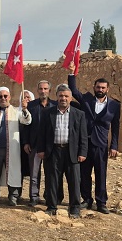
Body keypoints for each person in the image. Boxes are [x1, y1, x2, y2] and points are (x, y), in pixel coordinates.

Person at [68, 74, 121, 214]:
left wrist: (114, 146)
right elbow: (73, 90)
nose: (100, 89)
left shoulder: (114, 105)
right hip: (85, 143)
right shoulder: (86, 100)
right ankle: (87, 199)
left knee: (101, 173)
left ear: (107, 89)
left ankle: (101, 202)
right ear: (94, 87)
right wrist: (71, 74)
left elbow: (115, 127)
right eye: (98, 87)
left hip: (101, 145)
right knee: (84, 173)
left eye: (103, 87)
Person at [37, 84, 88, 218]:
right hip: (53, 151)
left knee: (74, 181)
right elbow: (41, 133)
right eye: (60, 96)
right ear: (56, 97)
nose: (63, 98)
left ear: (71, 98)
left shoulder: (79, 114)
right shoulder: (48, 113)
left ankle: (75, 208)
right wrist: (41, 150)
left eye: (66, 96)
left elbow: (83, 135)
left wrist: (83, 152)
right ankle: (51, 206)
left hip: (72, 152)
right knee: (52, 180)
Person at [0, 87, 32, 206]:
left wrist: (25, 110)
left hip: (12, 148)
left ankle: (13, 196)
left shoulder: (17, 111)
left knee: (13, 171)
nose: (3, 98)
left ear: (9, 97)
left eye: (5, 96)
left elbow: (27, 121)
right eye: (0, 96)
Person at [21, 80, 58, 207]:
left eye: (45, 89)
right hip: (34, 144)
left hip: (51, 145)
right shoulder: (31, 105)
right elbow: (26, 125)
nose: (43, 91)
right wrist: (26, 142)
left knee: (50, 173)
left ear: (49, 90)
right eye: (41, 89)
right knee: (34, 173)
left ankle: (49, 196)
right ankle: (34, 196)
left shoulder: (56, 105)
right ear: (37, 91)